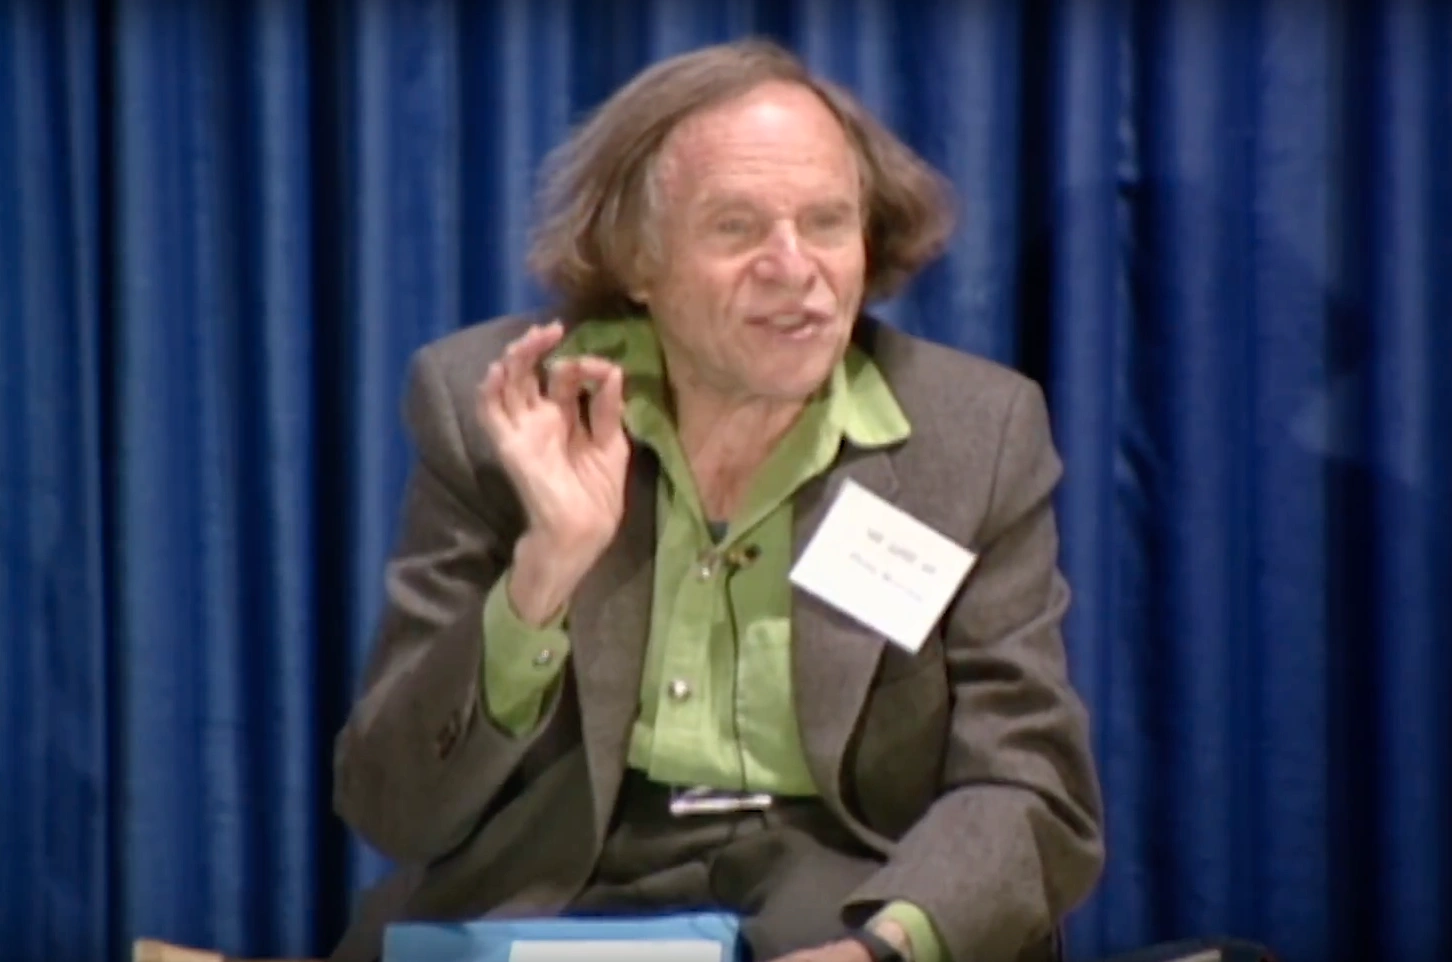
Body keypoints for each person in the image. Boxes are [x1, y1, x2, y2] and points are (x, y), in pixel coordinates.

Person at [329, 38, 1104, 962]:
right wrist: (545, 572)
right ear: (637, 262)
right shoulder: (504, 409)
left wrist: (885, 950)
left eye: (826, 222)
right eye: (736, 228)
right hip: (562, 888)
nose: (794, 267)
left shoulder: (972, 434)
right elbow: (393, 805)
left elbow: (1028, 785)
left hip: (853, 883)